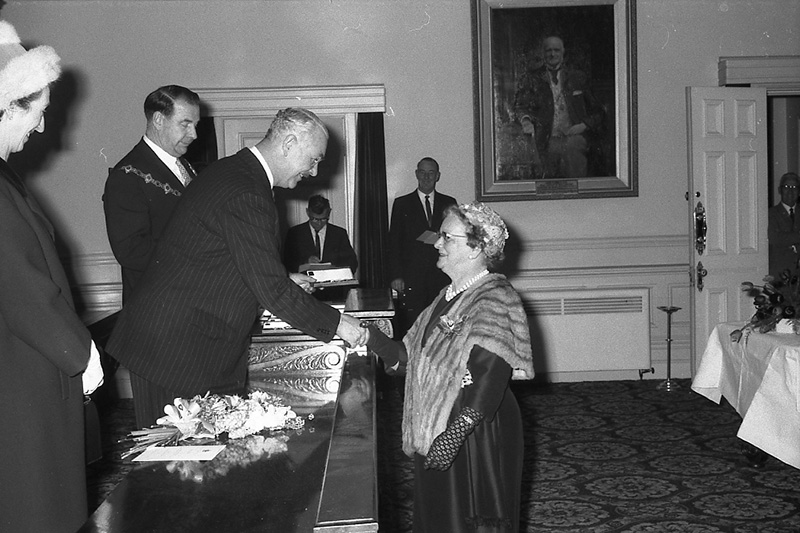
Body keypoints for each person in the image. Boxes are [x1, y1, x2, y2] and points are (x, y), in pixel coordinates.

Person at [106, 107, 366, 429]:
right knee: (175, 456)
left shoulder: (235, 171)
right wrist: (339, 324)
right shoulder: (247, 191)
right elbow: (271, 290)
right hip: (174, 352)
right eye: (313, 160)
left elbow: (225, 256)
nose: (313, 172)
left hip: (184, 343)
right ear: (289, 144)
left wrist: (283, 277)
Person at [366, 202, 534, 532]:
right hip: (438, 425)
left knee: (469, 519)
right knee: (440, 516)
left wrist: (454, 435)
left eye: (446, 237)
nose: (437, 244)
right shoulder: (447, 296)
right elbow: (410, 357)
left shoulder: (494, 297)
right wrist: (368, 336)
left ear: (476, 248)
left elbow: (490, 373)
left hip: (476, 429)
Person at [0, 20, 104, 533]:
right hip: (23, 384)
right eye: (37, 113)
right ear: (6, 107)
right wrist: (80, 353)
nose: (41, 128)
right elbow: (21, 288)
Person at [103, 85, 201, 304]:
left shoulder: (185, 167)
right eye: (185, 124)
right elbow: (131, 251)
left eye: (195, 125)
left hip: (189, 298)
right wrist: (201, 259)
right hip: (157, 305)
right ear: (158, 120)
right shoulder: (127, 176)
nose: (194, 134)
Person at [513, 35, 605, 179]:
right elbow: (520, 106)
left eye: (556, 50)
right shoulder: (531, 78)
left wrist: (583, 125)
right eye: (548, 50)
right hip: (546, 138)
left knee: (573, 150)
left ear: (563, 52)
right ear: (543, 53)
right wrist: (526, 121)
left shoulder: (578, 77)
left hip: (574, 136)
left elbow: (598, 112)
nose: (552, 54)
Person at [388, 157, 457, 335]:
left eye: (431, 173)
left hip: (441, 276)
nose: (427, 177)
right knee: (414, 328)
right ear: (416, 174)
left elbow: (456, 240)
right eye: (423, 172)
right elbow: (394, 242)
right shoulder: (402, 204)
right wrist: (396, 275)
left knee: (441, 327)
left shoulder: (449, 203)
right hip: (412, 277)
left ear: (437, 176)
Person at [283, 194, 358, 274]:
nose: (319, 224)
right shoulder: (295, 233)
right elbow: (286, 262)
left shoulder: (339, 234)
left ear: (329, 212)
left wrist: (334, 269)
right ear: (308, 212)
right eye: (315, 219)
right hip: (303, 281)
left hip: (333, 280)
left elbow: (352, 262)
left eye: (323, 219)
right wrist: (306, 262)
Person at [768, 172, 800, 279]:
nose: (790, 191)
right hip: (780, 274)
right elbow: (774, 238)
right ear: (779, 190)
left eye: (794, 187)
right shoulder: (771, 214)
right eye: (786, 187)